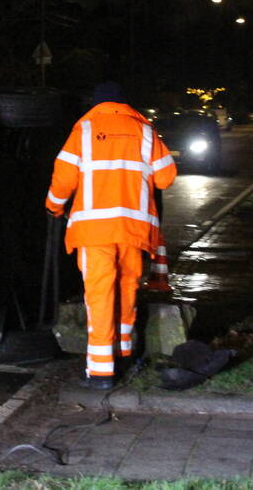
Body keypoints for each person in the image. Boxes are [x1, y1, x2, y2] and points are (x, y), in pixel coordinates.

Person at [45, 82, 176, 390]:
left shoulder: (85, 131)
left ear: (97, 104)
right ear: (124, 104)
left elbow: (63, 178)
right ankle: (125, 352)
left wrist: (53, 206)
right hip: (133, 230)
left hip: (94, 232)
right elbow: (166, 177)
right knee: (127, 288)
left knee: (100, 295)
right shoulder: (145, 131)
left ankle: (101, 371)